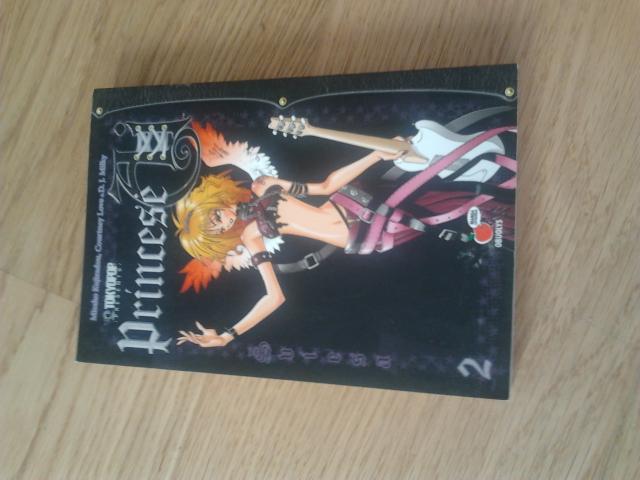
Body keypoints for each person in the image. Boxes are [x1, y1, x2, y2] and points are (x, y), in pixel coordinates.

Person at [176, 124, 516, 348]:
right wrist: (228, 335)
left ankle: (501, 191)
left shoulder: (263, 184)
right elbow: (274, 297)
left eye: (215, 216)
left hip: (356, 203)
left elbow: (325, 186)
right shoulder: (251, 237)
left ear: (218, 200)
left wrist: (374, 155)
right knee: (447, 218)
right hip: (366, 237)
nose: (222, 222)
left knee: (451, 200)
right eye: (216, 228)